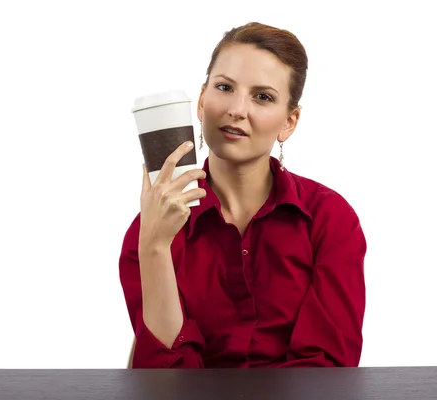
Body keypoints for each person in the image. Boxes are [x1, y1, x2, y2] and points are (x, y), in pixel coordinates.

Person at [119, 22, 367, 369]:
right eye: (225, 87)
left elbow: (326, 371)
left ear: (289, 122)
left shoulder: (329, 218)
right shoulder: (152, 227)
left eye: (262, 96)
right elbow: (165, 379)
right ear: (202, 101)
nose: (237, 109)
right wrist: (155, 247)